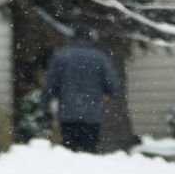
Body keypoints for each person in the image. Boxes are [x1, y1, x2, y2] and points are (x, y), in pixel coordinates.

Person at [40, 26, 120, 154]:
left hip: (68, 113)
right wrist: (109, 93)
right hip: (92, 114)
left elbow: (50, 84)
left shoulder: (61, 57)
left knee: (70, 152)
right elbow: (112, 83)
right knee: (90, 152)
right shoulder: (99, 58)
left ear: (73, 39)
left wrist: (44, 105)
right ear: (90, 39)